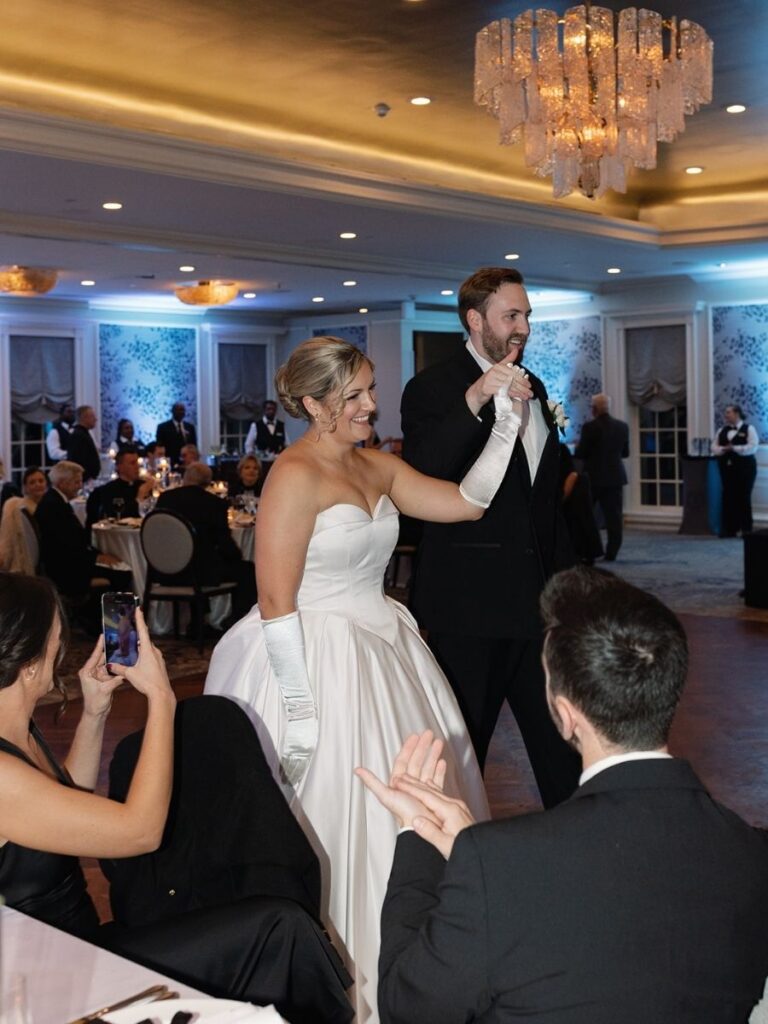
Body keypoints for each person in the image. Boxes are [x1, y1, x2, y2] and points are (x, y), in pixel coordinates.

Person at [202, 334, 539, 1022]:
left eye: (370, 389)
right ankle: (329, 975)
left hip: (385, 649)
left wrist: (506, 423)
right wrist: (298, 712)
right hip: (312, 655)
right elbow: (275, 599)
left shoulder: (376, 465)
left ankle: (412, 963)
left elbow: (467, 502)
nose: (371, 405)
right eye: (354, 395)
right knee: (327, 807)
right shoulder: (293, 475)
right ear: (311, 403)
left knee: (412, 800)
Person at [358, 567, 768, 1024]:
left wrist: (417, 839)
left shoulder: (502, 867)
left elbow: (407, 1007)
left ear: (566, 715)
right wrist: (483, 858)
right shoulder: (749, 850)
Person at [0, 573, 353, 1023]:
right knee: (278, 930)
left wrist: (94, 711)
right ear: (29, 663)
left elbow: (61, 802)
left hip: (73, 951)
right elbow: (141, 831)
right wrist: (160, 697)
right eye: (57, 637)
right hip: (59, 980)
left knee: (212, 724)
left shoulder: (17, 732)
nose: (63, 647)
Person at [400, 266, 579, 805]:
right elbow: (425, 471)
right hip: (468, 607)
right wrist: (477, 396)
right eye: (512, 315)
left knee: (562, 749)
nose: (524, 326)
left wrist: (569, 588)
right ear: (476, 320)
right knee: (462, 753)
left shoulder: (535, 385)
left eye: (526, 314)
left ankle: (586, 854)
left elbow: (544, 503)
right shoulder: (431, 388)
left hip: (538, 607)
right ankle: (447, 864)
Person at [156, 462, 256, 627]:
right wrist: (236, 557)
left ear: (185, 478)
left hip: (165, 572)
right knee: (247, 571)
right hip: (201, 574)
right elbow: (225, 545)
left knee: (202, 560)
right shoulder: (214, 504)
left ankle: (197, 623)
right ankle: (236, 621)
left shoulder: (165, 498)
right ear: (208, 483)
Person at [35, 461, 128, 604]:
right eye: (76, 482)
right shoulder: (54, 507)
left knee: (116, 567)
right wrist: (96, 557)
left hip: (64, 564)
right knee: (122, 573)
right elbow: (68, 545)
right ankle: (116, 624)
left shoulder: (54, 501)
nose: (80, 486)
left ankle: (105, 621)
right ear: (62, 483)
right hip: (66, 571)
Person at [575, 392, 629, 560]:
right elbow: (625, 453)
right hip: (615, 477)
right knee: (614, 518)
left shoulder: (589, 427)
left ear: (594, 409)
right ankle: (612, 552)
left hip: (594, 478)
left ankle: (589, 551)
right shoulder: (622, 427)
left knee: (587, 516)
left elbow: (580, 453)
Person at [712, 404, 759, 537]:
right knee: (728, 497)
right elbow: (714, 447)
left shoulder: (749, 429)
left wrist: (735, 448)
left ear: (737, 413)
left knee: (744, 497)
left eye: (728, 412)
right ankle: (730, 529)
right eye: (726, 413)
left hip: (746, 469)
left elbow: (752, 447)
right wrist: (723, 449)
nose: (726, 415)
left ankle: (746, 529)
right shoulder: (722, 430)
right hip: (727, 468)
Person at [86, 448, 154, 527]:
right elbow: (116, 517)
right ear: (120, 467)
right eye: (132, 463)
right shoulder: (108, 490)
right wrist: (139, 497)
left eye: (137, 463)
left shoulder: (143, 485)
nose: (137, 467)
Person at [0, 466, 47, 575]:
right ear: (25, 488)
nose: (37, 485)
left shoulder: (48, 507)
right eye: (32, 482)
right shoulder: (18, 508)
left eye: (41, 481)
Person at [66, 405, 102, 483]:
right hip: (84, 481)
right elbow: (77, 460)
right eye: (92, 416)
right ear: (84, 417)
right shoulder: (78, 436)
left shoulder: (84, 433)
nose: (96, 419)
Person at [156, 402, 197, 468]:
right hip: (170, 462)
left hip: (187, 463)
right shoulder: (163, 427)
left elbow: (193, 445)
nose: (181, 412)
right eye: (179, 410)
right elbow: (160, 446)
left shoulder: (190, 427)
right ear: (173, 411)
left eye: (183, 410)